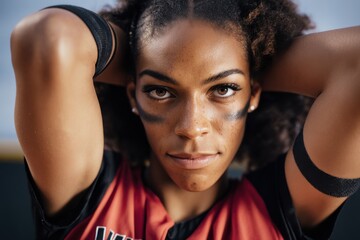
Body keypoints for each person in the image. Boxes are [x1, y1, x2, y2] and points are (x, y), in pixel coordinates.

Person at [10, 0, 360, 239]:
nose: (192, 127)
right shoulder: (91, 197)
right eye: (160, 91)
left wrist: (252, 56)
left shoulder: (280, 214)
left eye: (223, 89)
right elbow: (48, 36)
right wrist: (144, 53)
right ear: (133, 95)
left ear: (254, 94)